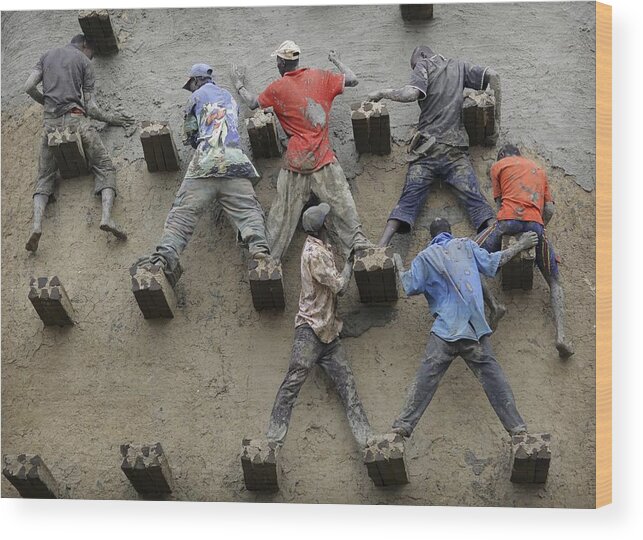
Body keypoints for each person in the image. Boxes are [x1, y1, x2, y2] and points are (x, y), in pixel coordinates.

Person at [390, 217, 537, 439]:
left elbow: (410, 285)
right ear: (449, 231)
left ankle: (403, 425)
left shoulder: (425, 257)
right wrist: (520, 245)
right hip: (472, 329)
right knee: (494, 378)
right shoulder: (466, 245)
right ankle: (517, 428)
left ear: (432, 237)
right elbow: (491, 263)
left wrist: (400, 266)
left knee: (426, 377)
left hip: (444, 331)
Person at [231, 40, 371, 262]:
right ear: (297, 61)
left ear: (280, 62)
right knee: (343, 204)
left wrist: (238, 84)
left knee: (282, 214)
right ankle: (359, 245)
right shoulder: (321, 76)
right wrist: (336, 61)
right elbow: (352, 79)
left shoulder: (277, 88)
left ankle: (268, 257)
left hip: (296, 162)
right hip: (323, 158)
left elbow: (252, 103)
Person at [133, 63, 271, 287]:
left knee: (182, 215)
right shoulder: (229, 97)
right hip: (234, 163)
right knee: (248, 211)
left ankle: (162, 259)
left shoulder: (196, 97)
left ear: (196, 81)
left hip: (205, 164)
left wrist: (198, 139)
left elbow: (190, 134)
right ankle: (260, 252)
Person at [367, 45, 501, 247]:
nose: (415, 70)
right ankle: (495, 239)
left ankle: (381, 246)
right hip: (454, 152)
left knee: (409, 198)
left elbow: (411, 93)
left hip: (427, 152)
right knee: (476, 199)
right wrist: (496, 123)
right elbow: (493, 75)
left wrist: (382, 92)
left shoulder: (425, 64)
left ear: (421, 55)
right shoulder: (460, 67)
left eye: (414, 67)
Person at [265, 203, 373, 450]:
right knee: (292, 384)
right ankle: (273, 439)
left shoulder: (322, 248)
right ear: (324, 225)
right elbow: (340, 287)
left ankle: (366, 439)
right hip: (310, 332)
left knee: (348, 388)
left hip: (329, 333)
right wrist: (350, 262)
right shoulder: (314, 255)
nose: (330, 221)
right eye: (327, 219)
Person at [23, 34, 133, 252]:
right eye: (92, 53)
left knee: (44, 177)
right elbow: (90, 108)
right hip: (76, 122)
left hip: (50, 124)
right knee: (105, 167)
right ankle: (107, 217)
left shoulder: (46, 56)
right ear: (85, 45)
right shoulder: (83, 61)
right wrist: (114, 119)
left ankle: (36, 226)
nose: (91, 58)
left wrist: (46, 103)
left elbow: (28, 87)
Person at [475, 144, 574, 358]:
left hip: (507, 221)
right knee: (555, 282)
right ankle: (561, 336)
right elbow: (549, 209)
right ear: (519, 154)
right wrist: (537, 227)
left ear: (502, 155)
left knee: (470, 258)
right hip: (535, 226)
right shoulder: (539, 170)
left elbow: (500, 204)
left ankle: (494, 306)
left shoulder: (498, 166)